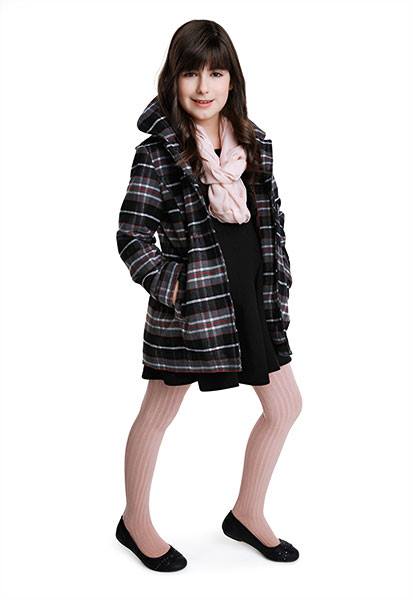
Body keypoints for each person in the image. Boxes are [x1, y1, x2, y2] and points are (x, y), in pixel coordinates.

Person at [115, 19, 303, 572]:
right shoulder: (158, 154)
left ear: (231, 79)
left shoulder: (255, 144)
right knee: (158, 411)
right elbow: (131, 236)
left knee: (285, 406)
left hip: (251, 300)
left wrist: (278, 279)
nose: (203, 87)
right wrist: (176, 287)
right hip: (191, 308)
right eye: (191, 73)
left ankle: (247, 513)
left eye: (216, 73)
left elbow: (272, 220)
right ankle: (135, 522)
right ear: (172, 79)